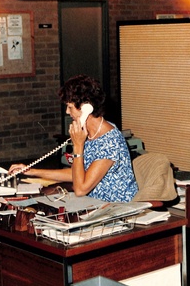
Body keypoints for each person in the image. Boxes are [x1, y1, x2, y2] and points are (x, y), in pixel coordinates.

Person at [9, 74, 138, 202]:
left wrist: (78, 145)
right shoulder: (91, 133)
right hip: (94, 204)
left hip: (115, 209)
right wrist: (32, 171)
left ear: (87, 108)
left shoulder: (110, 141)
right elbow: (78, 174)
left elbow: (80, 189)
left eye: (70, 107)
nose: (67, 111)